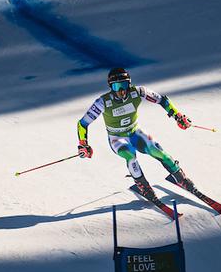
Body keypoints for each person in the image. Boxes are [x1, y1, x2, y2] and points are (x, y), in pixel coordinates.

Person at [77, 67, 195, 203]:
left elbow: (162, 100)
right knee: (130, 155)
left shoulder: (138, 92)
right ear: (111, 87)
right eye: (117, 86)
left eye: (124, 85)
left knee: (158, 151)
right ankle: (143, 186)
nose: (121, 91)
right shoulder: (103, 102)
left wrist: (178, 116)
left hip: (135, 132)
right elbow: (83, 123)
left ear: (130, 83)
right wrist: (83, 144)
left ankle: (181, 178)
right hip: (117, 138)